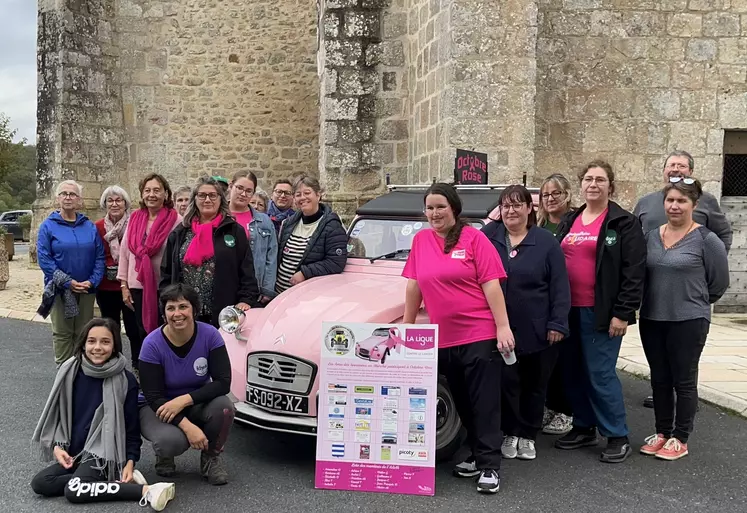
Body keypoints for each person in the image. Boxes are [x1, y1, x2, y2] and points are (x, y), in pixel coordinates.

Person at [402, 182, 514, 494]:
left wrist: (502, 327)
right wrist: (408, 326)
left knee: (485, 402)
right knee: (464, 402)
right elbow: (415, 285)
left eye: (440, 206)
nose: (434, 213)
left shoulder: (474, 238)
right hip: (443, 338)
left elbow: (492, 284)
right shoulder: (422, 241)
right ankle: (478, 457)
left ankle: (490, 466)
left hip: (479, 333)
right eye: (430, 207)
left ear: (454, 209)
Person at [30, 317, 176, 510]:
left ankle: (147, 490)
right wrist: (58, 447)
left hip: (105, 453)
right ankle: (110, 483)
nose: (97, 347)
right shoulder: (69, 371)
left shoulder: (126, 380)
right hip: (76, 452)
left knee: (74, 491)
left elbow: (131, 429)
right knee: (41, 483)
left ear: (115, 345)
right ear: (83, 344)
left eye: (105, 342)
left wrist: (130, 462)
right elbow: (59, 416)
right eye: (91, 341)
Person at [554, 160, 646, 463]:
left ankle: (617, 434)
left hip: (601, 312)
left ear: (611, 186)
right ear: (580, 185)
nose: (593, 185)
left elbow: (634, 272)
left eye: (600, 180)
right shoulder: (571, 219)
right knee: (572, 371)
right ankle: (583, 426)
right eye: (588, 179)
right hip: (568, 311)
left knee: (600, 374)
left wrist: (622, 313)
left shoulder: (623, 223)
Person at [633, 150, 733, 409]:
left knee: (685, 364)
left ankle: (685, 409)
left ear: (690, 172)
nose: (675, 169)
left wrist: (699, 282)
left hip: (688, 298)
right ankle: (663, 406)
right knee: (660, 367)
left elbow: (722, 237)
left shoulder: (707, 203)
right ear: (663, 171)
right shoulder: (645, 203)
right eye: (671, 165)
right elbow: (633, 241)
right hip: (654, 297)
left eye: (682, 166)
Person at [638, 178, 729, 461]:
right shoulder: (651, 236)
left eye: (681, 201)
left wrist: (695, 302)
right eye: (670, 200)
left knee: (684, 380)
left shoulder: (706, 240)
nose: (674, 206)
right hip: (653, 318)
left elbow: (719, 283)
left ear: (694, 205)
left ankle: (680, 437)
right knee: (659, 379)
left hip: (689, 320)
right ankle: (662, 432)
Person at [482, 185, 571, 461]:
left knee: (534, 385)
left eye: (518, 205)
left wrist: (557, 323)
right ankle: (510, 432)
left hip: (538, 329)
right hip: (498, 329)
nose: (511, 210)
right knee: (506, 383)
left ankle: (528, 435)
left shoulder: (545, 242)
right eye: (506, 205)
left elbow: (560, 287)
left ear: (529, 209)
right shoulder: (488, 237)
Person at [138, 283, 235, 485]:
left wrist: (183, 401)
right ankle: (164, 456)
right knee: (170, 442)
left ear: (195, 310)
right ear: (164, 314)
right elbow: (154, 397)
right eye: (170, 308)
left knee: (224, 407)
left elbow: (223, 383)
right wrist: (188, 427)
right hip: (158, 406)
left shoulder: (210, 335)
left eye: (183, 306)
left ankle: (211, 457)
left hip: (193, 401)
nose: (177, 313)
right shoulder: (151, 344)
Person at [161, 176, 260, 325]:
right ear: (195, 199)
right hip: (186, 312)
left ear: (221, 199)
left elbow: (246, 269)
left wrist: (246, 299)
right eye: (202, 195)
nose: (207, 200)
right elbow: (167, 272)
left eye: (213, 195)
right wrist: (167, 302)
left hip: (223, 312)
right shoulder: (180, 232)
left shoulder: (233, 231)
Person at [37, 180, 105, 366]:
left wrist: (92, 281)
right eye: (64, 194)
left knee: (84, 333)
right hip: (60, 290)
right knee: (62, 333)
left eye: (72, 194)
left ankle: (82, 373)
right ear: (57, 198)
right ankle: (64, 375)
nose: (68, 197)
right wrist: (68, 282)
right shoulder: (48, 226)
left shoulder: (89, 226)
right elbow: (44, 259)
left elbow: (100, 257)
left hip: (86, 290)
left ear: (79, 200)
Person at [118, 173, 180, 372]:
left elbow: (177, 256)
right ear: (142, 194)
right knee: (139, 330)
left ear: (165, 193)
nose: (151, 194)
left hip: (164, 287)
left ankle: (164, 368)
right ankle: (143, 368)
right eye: (147, 190)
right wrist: (123, 285)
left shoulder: (175, 220)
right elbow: (125, 252)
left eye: (156, 190)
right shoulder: (135, 218)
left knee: (163, 329)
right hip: (137, 285)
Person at [537, 173, 575, 435]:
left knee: (567, 361)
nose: (550, 199)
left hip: (569, 298)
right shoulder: (538, 227)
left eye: (556, 194)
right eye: (546, 195)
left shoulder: (575, 224)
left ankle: (566, 411)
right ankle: (549, 407)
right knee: (545, 360)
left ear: (567, 195)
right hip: (542, 302)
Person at [275, 175, 347, 293]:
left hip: (306, 297)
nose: (302, 198)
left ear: (318, 195)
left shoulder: (332, 226)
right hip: (279, 294)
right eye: (298, 195)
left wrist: (305, 273)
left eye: (307, 193)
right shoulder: (288, 223)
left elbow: (336, 262)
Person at [94, 186, 140, 349]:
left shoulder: (135, 224)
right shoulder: (98, 227)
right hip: (106, 285)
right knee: (110, 327)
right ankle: (114, 361)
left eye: (118, 200)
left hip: (130, 284)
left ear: (125, 203)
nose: (114, 204)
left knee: (134, 327)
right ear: (105, 204)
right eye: (110, 201)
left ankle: (137, 363)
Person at [228, 171, 278, 302]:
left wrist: (267, 290)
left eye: (249, 191)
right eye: (239, 188)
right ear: (230, 186)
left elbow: (271, 257)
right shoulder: (218, 217)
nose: (243, 194)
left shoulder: (264, 221)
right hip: (225, 286)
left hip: (253, 287)